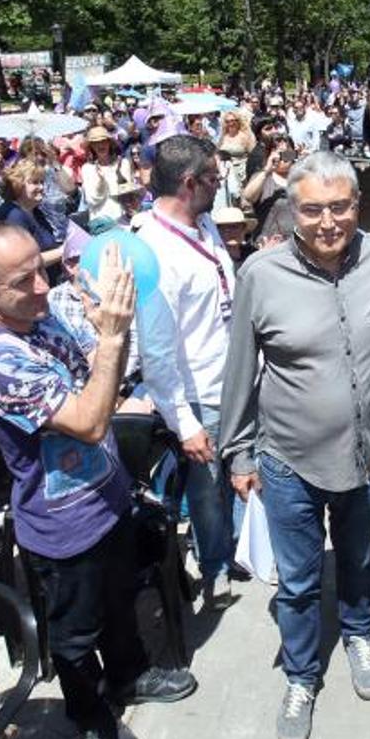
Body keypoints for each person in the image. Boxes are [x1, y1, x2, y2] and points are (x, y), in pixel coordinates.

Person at [0, 222, 194, 739]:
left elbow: (95, 381)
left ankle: (130, 675)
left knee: (119, 603)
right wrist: (112, 338)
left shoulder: (41, 320)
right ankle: (89, 711)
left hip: (107, 500)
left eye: (40, 271)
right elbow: (89, 420)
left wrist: (109, 336)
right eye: (22, 282)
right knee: (74, 634)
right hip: (62, 528)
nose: (43, 288)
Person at [219, 152, 370, 739]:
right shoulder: (261, 275)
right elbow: (240, 371)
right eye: (314, 209)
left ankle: (359, 634)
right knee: (296, 582)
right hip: (289, 461)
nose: (329, 221)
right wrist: (238, 454)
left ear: (358, 206)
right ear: (292, 211)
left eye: (341, 206)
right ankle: (301, 676)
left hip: (365, 456)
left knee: (359, 561)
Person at [136, 135, 240, 610]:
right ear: (189, 182)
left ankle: (230, 549)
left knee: (231, 480)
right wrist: (185, 421)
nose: (220, 187)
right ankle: (214, 564)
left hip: (232, 379)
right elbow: (156, 353)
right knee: (206, 492)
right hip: (197, 391)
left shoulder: (204, 225)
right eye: (214, 179)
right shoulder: (152, 249)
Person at [0, 159, 64, 282]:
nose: (41, 187)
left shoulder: (36, 211)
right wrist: (63, 251)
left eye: (42, 182)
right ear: (18, 185)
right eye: (35, 182)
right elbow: (25, 263)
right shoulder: (13, 216)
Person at [80, 125, 132, 230]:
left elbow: (128, 196)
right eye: (95, 143)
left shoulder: (123, 164)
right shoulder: (88, 168)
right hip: (100, 224)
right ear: (91, 147)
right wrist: (101, 182)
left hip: (123, 223)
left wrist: (122, 179)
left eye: (103, 141)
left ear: (109, 143)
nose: (100, 145)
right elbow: (92, 201)